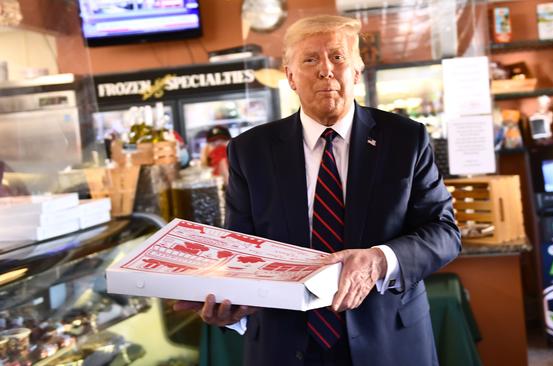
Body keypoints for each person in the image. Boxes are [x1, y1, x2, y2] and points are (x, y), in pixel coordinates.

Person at [175, 15, 461, 366]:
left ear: (356, 72)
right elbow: (240, 249)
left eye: (338, 57)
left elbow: (444, 233)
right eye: (310, 59)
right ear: (291, 77)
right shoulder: (250, 151)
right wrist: (230, 306)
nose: (326, 70)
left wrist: (379, 260)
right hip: (283, 345)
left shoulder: (405, 139)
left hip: (389, 341)